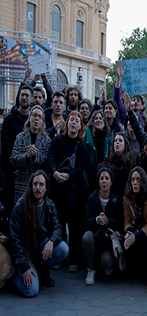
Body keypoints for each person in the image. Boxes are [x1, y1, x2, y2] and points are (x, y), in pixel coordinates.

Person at [8, 170, 69, 297]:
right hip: (25, 251)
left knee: (63, 248)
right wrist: (24, 267)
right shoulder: (20, 206)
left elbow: (57, 228)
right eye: (35, 184)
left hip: (41, 245)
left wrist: (51, 241)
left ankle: (42, 272)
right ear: (31, 186)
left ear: (46, 188)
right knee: (31, 290)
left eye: (41, 185)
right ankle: (12, 276)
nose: (38, 188)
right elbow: (15, 240)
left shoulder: (49, 204)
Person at [47, 111, 89, 273]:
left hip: (75, 189)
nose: (73, 123)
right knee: (58, 223)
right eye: (71, 119)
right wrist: (54, 172)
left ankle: (74, 259)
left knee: (75, 225)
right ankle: (59, 256)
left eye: (77, 121)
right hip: (57, 187)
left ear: (80, 126)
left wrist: (69, 176)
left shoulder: (82, 145)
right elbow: (50, 157)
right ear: (67, 123)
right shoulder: (57, 140)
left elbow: (82, 166)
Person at [82, 167, 124, 285]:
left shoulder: (116, 200)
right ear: (98, 182)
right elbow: (86, 221)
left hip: (108, 240)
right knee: (86, 237)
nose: (104, 181)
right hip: (95, 235)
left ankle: (107, 264)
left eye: (107, 178)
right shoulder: (92, 198)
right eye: (101, 178)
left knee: (107, 262)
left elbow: (121, 223)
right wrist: (96, 220)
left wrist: (108, 221)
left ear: (111, 181)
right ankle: (90, 269)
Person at [10, 105, 51, 203]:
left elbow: (47, 162)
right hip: (22, 184)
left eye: (39, 117)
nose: (36, 119)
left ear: (42, 121)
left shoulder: (47, 141)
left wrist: (36, 155)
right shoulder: (20, 137)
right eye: (34, 115)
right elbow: (13, 160)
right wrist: (26, 156)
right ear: (29, 118)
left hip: (38, 187)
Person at [2, 85, 33, 210]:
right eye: (22, 95)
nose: (24, 98)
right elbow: (6, 147)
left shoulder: (34, 120)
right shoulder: (9, 119)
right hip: (12, 173)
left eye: (27, 95)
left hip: (29, 174)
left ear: (31, 99)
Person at [123, 166, 147, 272]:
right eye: (132, 180)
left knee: (143, 247)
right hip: (134, 230)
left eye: (138, 179)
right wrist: (129, 233)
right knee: (126, 245)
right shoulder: (127, 197)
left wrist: (136, 237)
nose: (135, 182)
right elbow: (127, 220)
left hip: (146, 233)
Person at [102, 132, 139, 199]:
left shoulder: (132, 160)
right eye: (115, 141)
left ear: (125, 144)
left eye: (120, 140)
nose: (117, 142)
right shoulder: (107, 160)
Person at [84, 110, 113, 192]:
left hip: (103, 179)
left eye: (101, 118)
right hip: (89, 179)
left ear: (104, 122)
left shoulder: (109, 140)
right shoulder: (86, 137)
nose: (98, 120)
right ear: (92, 122)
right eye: (96, 118)